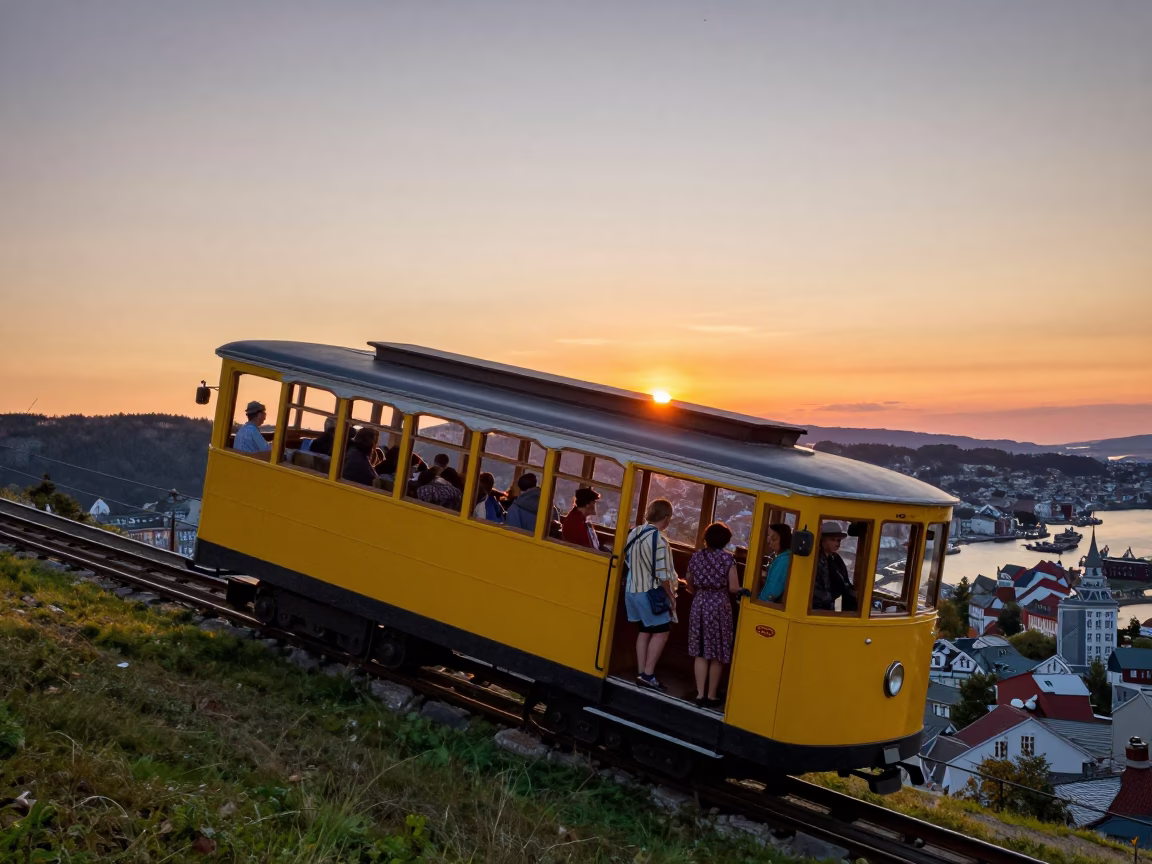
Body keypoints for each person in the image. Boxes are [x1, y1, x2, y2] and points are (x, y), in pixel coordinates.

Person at [686, 522, 743, 708]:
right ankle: (711, 696)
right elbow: (734, 587)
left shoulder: (696, 557)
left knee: (700, 650)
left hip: (700, 603)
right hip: (719, 604)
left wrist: (699, 591)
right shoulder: (728, 560)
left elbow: (689, 581)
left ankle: (700, 694)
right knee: (718, 652)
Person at [624, 499, 677, 691]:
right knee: (662, 632)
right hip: (649, 592)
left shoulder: (635, 532)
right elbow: (663, 575)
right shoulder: (660, 541)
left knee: (645, 630)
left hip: (632, 589)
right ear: (665, 518)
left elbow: (627, 558)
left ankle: (641, 671)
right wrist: (671, 596)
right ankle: (648, 675)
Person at [812, 522, 858, 611]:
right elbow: (814, 589)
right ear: (822, 540)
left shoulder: (835, 559)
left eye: (839, 540)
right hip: (815, 609)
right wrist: (830, 596)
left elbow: (843, 580)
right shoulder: (815, 560)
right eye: (833, 539)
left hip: (829, 608)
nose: (837, 543)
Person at [758, 523, 793, 603]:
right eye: (769, 536)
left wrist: (759, 601)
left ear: (784, 539)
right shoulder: (779, 557)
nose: (769, 540)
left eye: (774, 538)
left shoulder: (784, 561)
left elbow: (773, 591)